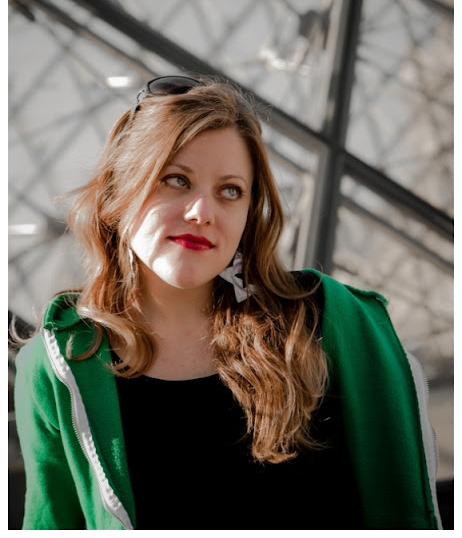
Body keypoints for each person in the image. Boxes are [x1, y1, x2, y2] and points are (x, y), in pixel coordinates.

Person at [13, 75, 442, 530]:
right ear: (119, 192)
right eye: (176, 180)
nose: (203, 212)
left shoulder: (324, 321)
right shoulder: (59, 363)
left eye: (230, 191)